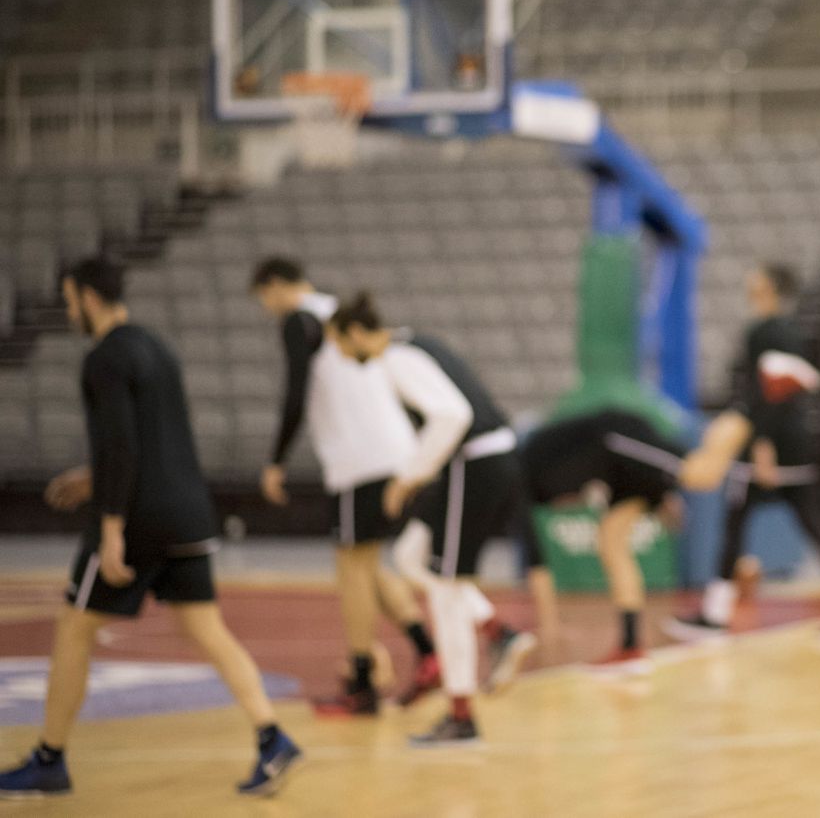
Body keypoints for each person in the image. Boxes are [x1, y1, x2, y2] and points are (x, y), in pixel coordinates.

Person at [0, 258, 301, 799]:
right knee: (206, 628)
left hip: (138, 517)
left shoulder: (103, 358)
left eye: (70, 300)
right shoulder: (157, 348)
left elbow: (121, 444)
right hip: (189, 512)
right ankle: (271, 736)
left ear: (89, 298)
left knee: (73, 627)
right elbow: (150, 439)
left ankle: (50, 758)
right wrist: (96, 478)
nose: (69, 312)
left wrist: (111, 527)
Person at [326, 294, 532, 745]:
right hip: (484, 461)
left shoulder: (396, 359)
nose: (341, 355)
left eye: (339, 345)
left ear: (355, 333)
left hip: (474, 463)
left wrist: (408, 477)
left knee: (444, 586)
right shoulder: (418, 344)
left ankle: (461, 714)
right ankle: (498, 631)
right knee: (410, 555)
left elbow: (451, 416)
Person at [249, 257, 438, 713]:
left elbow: (295, 389)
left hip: (359, 460)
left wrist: (276, 460)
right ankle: (428, 652)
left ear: (275, 287)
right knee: (368, 564)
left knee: (351, 568)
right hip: (391, 450)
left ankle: (362, 683)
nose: (267, 308)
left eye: (264, 299)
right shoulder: (337, 310)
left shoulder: (299, 320)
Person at [667, 263, 820, 640]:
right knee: (812, 520)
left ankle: (715, 614)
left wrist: (761, 446)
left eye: (757, 277)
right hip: (799, 442)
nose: (750, 280)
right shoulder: (798, 332)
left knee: (734, 524)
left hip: (769, 441)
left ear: (771, 288)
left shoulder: (762, 331)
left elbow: (769, 393)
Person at [517, 408, 691, 669]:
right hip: (618, 472)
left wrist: (668, 489)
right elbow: (536, 558)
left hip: (620, 436)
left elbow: (536, 561)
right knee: (611, 544)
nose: (565, 505)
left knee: (696, 472)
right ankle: (630, 645)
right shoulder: (542, 476)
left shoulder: (527, 472)